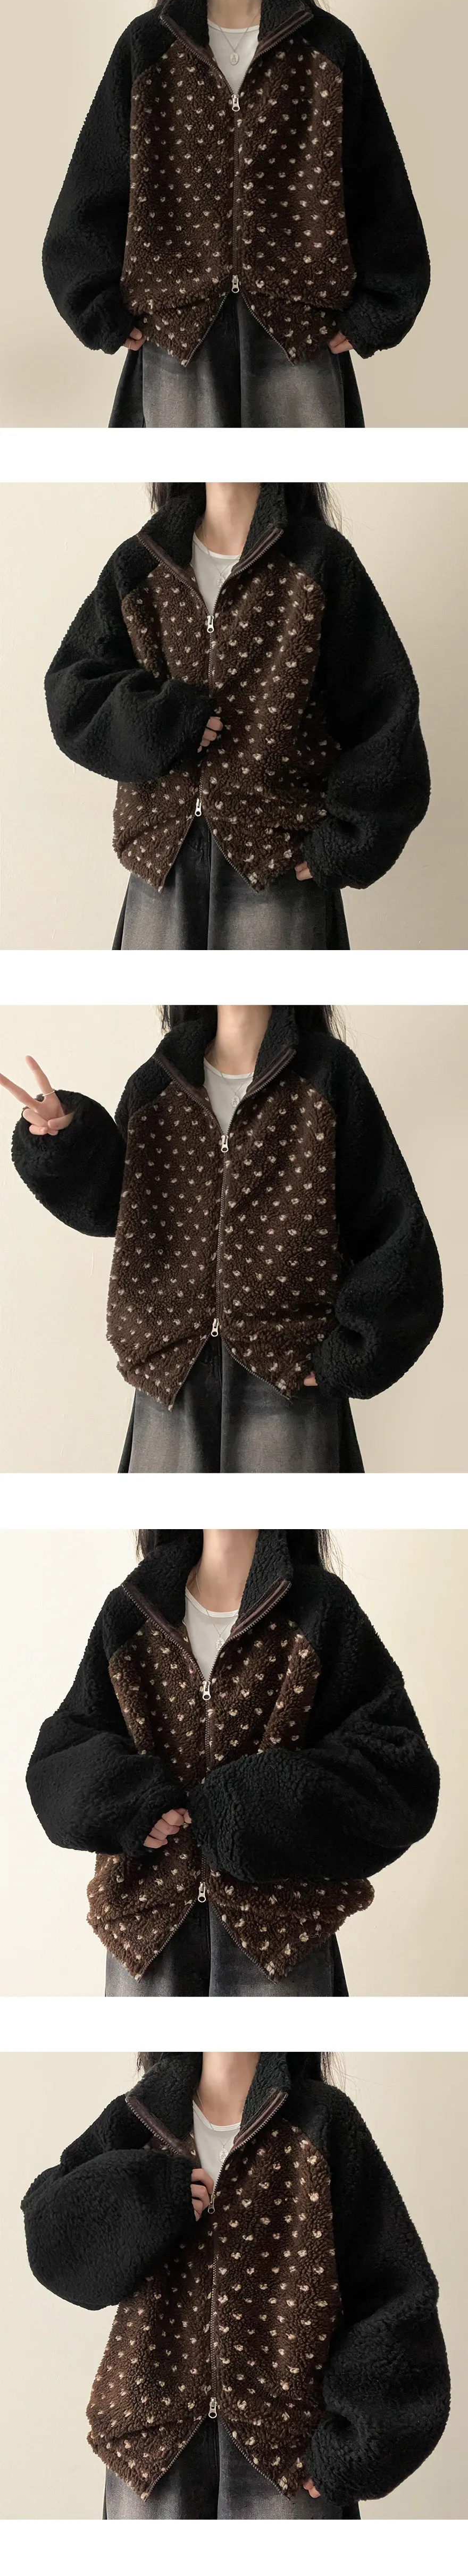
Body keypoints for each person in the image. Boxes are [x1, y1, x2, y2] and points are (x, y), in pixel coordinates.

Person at [1, 1003, 443, 1473]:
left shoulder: (327, 1074)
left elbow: (394, 1224)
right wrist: (64, 1141)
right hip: (170, 1376)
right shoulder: (156, 1082)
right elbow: (115, 1205)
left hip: (286, 1374)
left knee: (279, 1519)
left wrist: (347, 1358)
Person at [21, 2049, 450, 2518]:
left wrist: (354, 2451)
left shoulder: (321, 2119)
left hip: (287, 2451)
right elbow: (53, 2238)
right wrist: (151, 2194)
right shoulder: (142, 2114)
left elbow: (392, 2285)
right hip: (149, 2444)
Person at [26, 1526, 440, 1998]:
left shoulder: (319, 1607)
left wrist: (255, 1808)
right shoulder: (131, 1611)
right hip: (147, 1937)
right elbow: (61, 1757)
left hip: (282, 1939)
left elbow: (398, 1772)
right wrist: (129, 1802)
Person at [41, 0, 431, 430]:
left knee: (296, 477)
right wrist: (98, 309)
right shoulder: (147, 46)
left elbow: (379, 189)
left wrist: (378, 310)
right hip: (177, 338)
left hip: (300, 335)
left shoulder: (328, 47)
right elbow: (95, 182)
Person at [44, 481, 430, 953]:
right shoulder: (140, 563)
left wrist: (348, 843)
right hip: (161, 864)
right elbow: (73, 692)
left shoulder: (319, 560)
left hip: (276, 865)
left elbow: (386, 709)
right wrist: (168, 720)